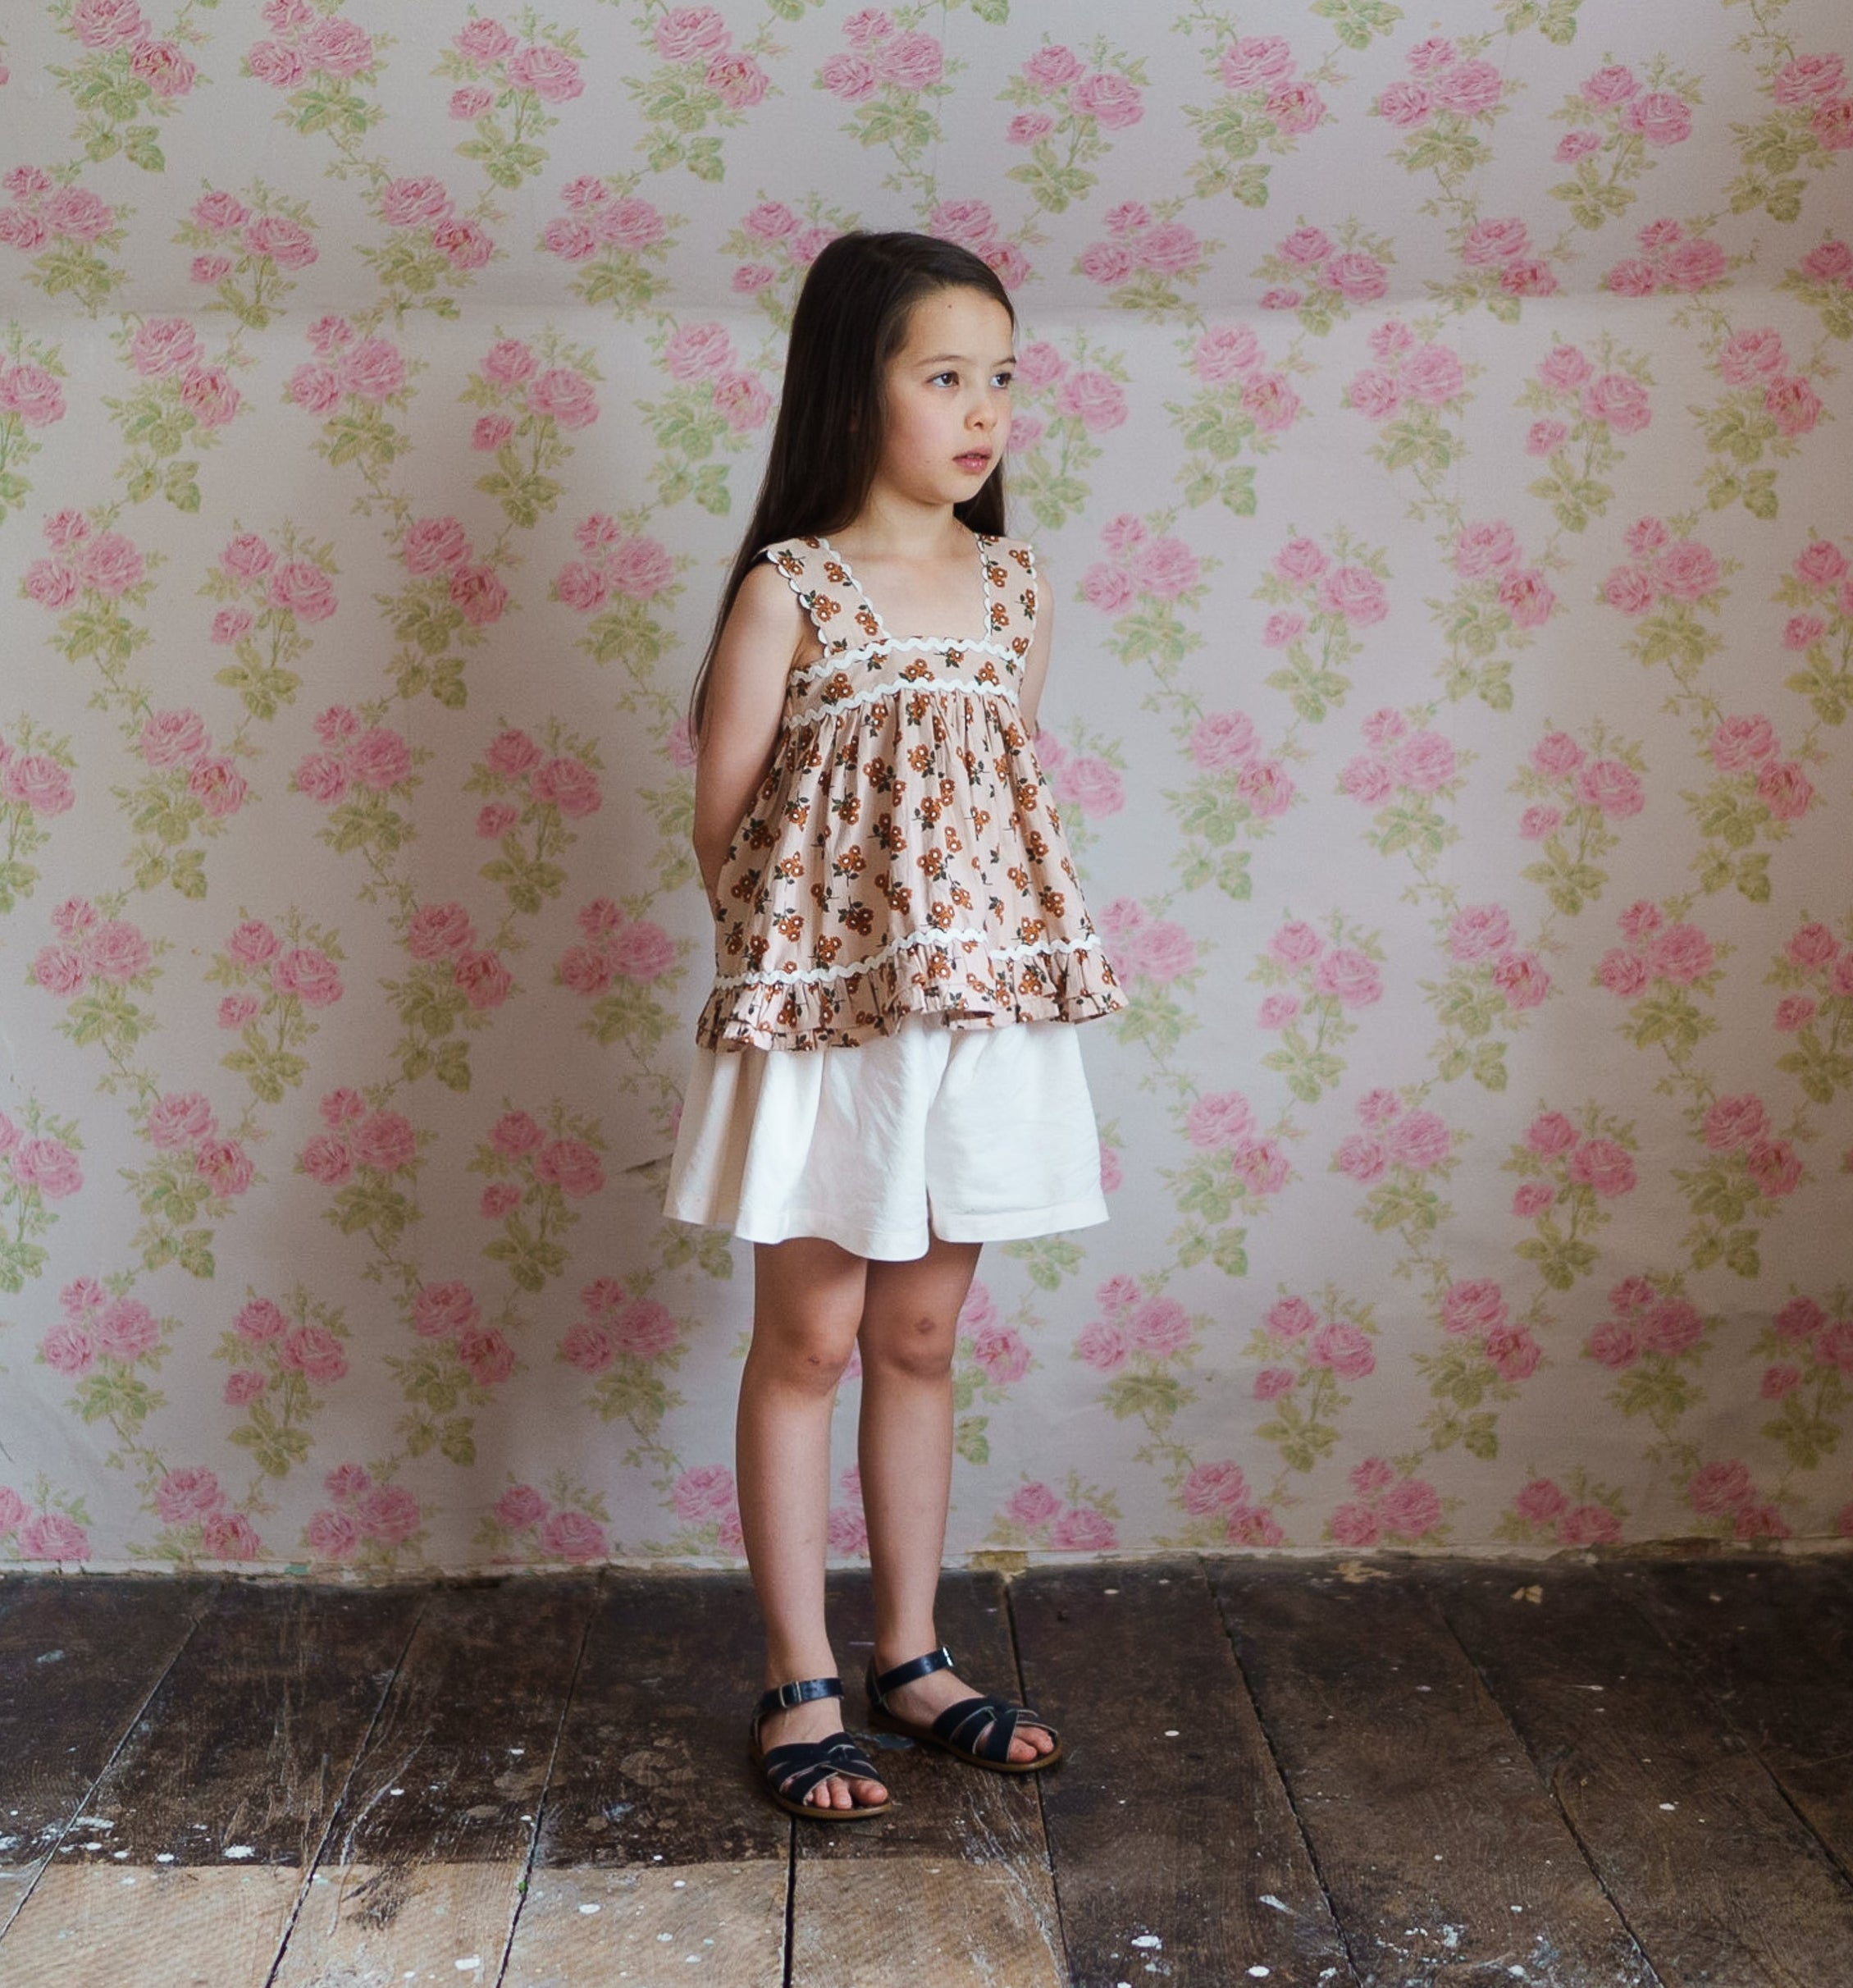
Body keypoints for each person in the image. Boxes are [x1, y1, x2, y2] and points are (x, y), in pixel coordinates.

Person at [663, 231, 1127, 1820]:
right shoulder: (792, 590)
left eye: (1001, 378)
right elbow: (723, 826)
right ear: (852, 390)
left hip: (978, 1019)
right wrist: (814, 973)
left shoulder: (1013, 589)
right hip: (830, 1028)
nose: (984, 410)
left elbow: (993, 798)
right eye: (945, 376)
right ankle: (798, 1673)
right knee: (809, 1341)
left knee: (921, 1339)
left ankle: (912, 1655)